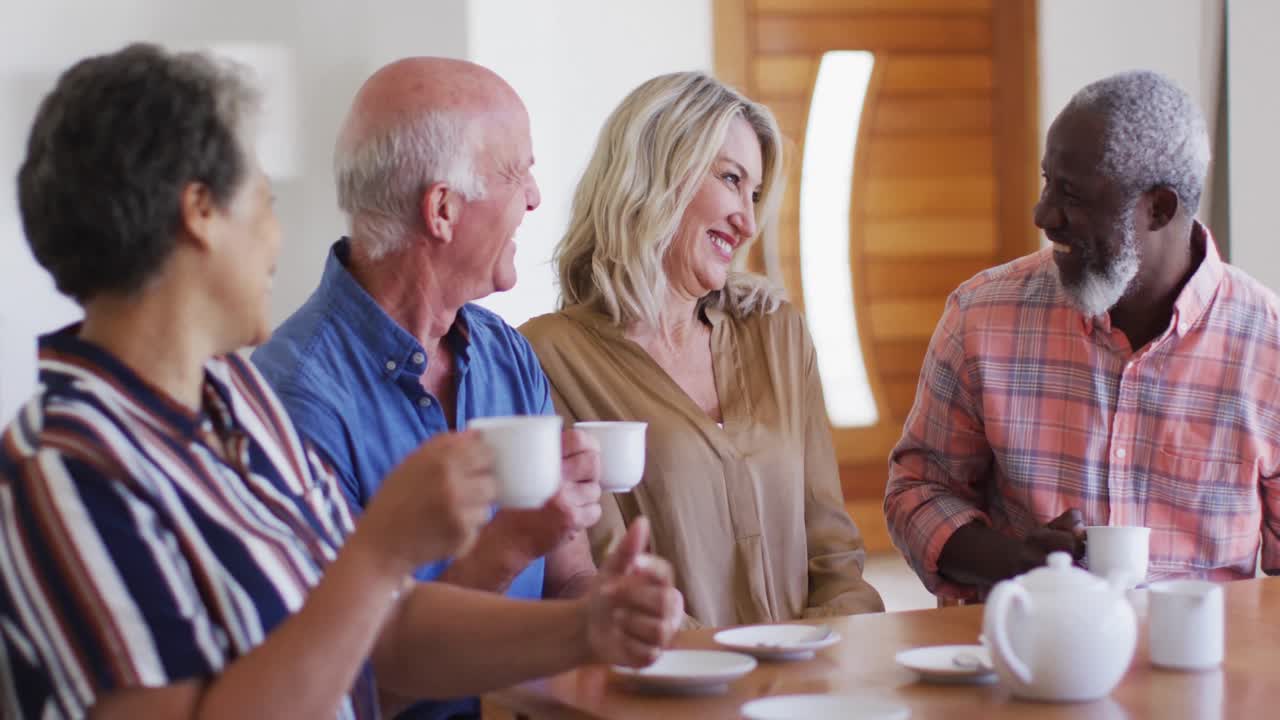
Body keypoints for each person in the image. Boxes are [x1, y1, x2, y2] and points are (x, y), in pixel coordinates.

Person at [0, 44, 682, 720]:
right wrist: (382, 552)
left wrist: (589, 626)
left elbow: (382, 639)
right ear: (200, 212)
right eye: (264, 202)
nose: (276, 237)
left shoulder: (236, 403)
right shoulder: (63, 461)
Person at [251, 56, 607, 718]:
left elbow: (568, 576)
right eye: (517, 173)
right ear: (442, 210)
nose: (534, 197)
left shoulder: (506, 354)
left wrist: (612, 613)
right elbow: (344, 690)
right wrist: (510, 548)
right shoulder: (293, 402)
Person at [884, 70, 1280, 602]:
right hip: (1026, 646)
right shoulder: (981, 314)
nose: (1043, 214)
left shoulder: (1268, 346)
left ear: (1159, 209)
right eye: (1047, 180)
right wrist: (1015, 562)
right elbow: (917, 490)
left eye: (1071, 193)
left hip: (1200, 653)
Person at [519, 72, 885, 628]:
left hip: (805, 672)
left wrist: (815, 652)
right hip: (666, 675)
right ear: (654, 174)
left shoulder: (778, 334)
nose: (749, 221)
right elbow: (603, 575)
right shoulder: (548, 356)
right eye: (731, 179)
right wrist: (727, 666)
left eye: (755, 194)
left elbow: (835, 556)